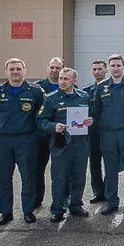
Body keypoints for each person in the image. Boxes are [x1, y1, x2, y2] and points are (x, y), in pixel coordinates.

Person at [0, 58, 45, 226]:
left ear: (24, 71)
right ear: (6, 72)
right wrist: (2, 126)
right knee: (4, 176)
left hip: (26, 140)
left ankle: (28, 210)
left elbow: (41, 114)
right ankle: (6, 212)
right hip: (3, 140)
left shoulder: (35, 91)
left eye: (18, 68)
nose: (15, 71)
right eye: (11, 69)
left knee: (28, 176)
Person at [37, 68, 94, 222]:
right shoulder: (51, 98)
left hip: (80, 144)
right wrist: (53, 126)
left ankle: (75, 205)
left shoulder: (83, 96)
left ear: (74, 81)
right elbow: (41, 120)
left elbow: (91, 115)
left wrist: (90, 121)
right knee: (59, 177)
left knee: (79, 176)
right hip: (61, 144)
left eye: (66, 79)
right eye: (61, 78)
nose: (62, 81)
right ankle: (57, 209)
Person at [93, 54, 124, 215]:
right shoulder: (101, 87)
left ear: (123, 66)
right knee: (111, 168)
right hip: (107, 133)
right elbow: (97, 111)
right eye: (113, 65)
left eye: (118, 65)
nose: (115, 68)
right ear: (108, 68)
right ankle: (112, 201)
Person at [34, 57, 65, 209]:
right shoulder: (36, 88)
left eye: (58, 68)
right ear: (47, 68)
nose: (54, 70)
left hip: (61, 137)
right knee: (38, 170)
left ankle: (63, 201)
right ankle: (36, 199)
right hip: (41, 136)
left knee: (62, 171)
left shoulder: (69, 85)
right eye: (52, 67)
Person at [83, 60, 107, 204]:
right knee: (94, 163)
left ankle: (110, 190)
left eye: (100, 69)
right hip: (92, 133)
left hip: (108, 131)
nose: (97, 72)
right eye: (94, 69)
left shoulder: (111, 88)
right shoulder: (86, 91)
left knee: (111, 163)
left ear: (106, 71)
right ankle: (98, 191)